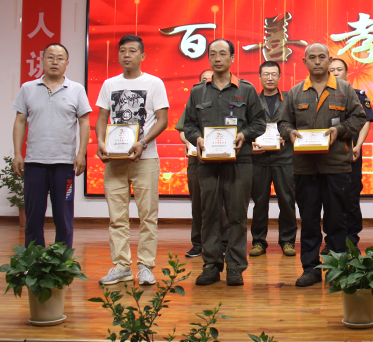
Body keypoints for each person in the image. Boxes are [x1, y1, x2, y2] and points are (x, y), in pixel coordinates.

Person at [278, 43, 368, 287]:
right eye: (312, 58)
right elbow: (283, 123)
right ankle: (310, 269)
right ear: (304, 62)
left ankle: (337, 269)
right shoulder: (295, 92)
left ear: (329, 60)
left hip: (336, 166)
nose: (317, 62)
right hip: (304, 167)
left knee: (337, 220)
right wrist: (290, 133)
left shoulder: (344, 89)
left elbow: (359, 118)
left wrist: (340, 130)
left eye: (321, 57)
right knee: (308, 221)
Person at [183, 39, 266, 286]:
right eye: (212, 54)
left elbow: (259, 123)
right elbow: (189, 125)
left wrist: (244, 135)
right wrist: (197, 138)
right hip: (207, 164)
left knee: (237, 215)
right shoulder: (198, 91)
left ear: (232, 58)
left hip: (239, 162)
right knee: (208, 214)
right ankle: (211, 264)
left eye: (222, 54)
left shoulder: (246, 90)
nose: (217, 58)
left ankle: (235, 267)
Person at [95, 35, 169, 286]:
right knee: (117, 217)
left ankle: (146, 266)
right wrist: (101, 142)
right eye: (122, 51)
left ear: (142, 56)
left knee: (148, 215)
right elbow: (102, 119)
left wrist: (143, 142)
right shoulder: (109, 84)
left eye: (132, 51)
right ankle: (121, 266)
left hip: (145, 158)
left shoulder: (154, 83)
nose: (126, 55)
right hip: (115, 160)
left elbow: (162, 120)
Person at [12, 43, 91, 249]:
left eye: (60, 58)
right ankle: (33, 258)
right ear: (42, 61)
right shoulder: (28, 88)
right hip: (34, 162)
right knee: (33, 215)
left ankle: (62, 259)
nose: (55, 62)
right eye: (50, 57)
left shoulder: (76, 89)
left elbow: (84, 122)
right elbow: (20, 121)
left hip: (64, 163)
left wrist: (81, 153)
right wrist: (17, 153)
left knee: (63, 215)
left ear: (67, 63)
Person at [324, 57, 373, 252]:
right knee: (330, 199)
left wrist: (359, 145)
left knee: (351, 197)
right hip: (328, 155)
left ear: (347, 73)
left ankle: (351, 240)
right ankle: (332, 241)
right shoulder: (322, 96)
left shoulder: (358, 95)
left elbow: (366, 121)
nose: (336, 73)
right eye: (332, 70)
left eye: (339, 69)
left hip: (351, 153)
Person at [176, 69, 228, 258]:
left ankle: (224, 242)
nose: (209, 82)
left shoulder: (228, 101)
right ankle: (198, 243)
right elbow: (183, 130)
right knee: (198, 203)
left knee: (224, 204)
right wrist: (189, 141)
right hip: (197, 159)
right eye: (204, 80)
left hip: (224, 159)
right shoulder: (195, 100)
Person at [249, 61, 298, 258]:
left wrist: (287, 133)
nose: (270, 78)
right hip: (259, 159)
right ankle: (258, 242)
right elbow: (247, 125)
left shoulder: (289, 99)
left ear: (279, 77)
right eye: (266, 74)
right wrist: (251, 141)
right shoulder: (252, 100)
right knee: (259, 202)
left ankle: (287, 241)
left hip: (284, 158)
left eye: (273, 74)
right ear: (259, 77)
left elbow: (297, 123)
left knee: (287, 200)